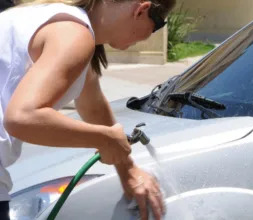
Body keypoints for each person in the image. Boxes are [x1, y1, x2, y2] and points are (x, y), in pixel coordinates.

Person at [0, 0, 176, 219]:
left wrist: (128, 170)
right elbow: (22, 117)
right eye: (158, 23)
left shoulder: (50, 17)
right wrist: (104, 139)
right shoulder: (74, 34)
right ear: (142, 9)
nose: (151, 34)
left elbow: (92, 105)